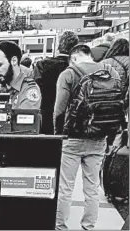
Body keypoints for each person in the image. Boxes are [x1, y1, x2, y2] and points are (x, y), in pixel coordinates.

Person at [54, 44, 122, 230]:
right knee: (92, 188)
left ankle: (60, 226)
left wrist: (58, 135)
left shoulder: (68, 74)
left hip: (73, 139)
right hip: (99, 138)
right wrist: (110, 139)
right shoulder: (111, 73)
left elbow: (59, 110)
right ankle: (88, 226)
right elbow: (115, 107)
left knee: (65, 188)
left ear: (74, 57)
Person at [33, 31, 79, 135]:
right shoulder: (75, 68)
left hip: (45, 115)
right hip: (68, 119)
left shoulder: (42, 65)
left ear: (58, 46)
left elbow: (36, 90)